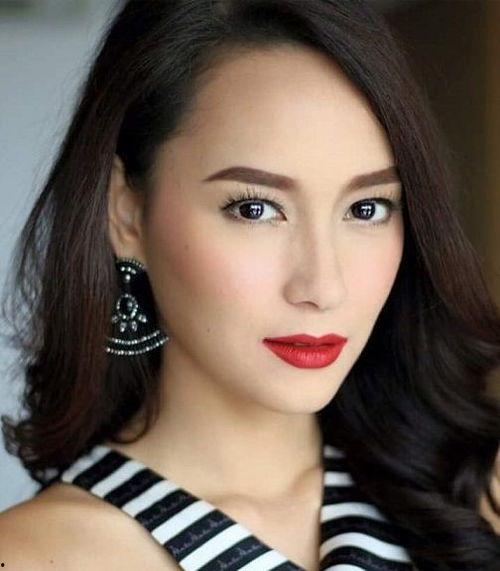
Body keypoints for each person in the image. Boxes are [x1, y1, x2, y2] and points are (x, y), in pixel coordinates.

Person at [0, 1, 499, 569]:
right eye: (255, 209)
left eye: (366, 208)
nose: (322, 286)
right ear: (126, 213)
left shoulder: (471, 500)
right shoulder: (34, 556)